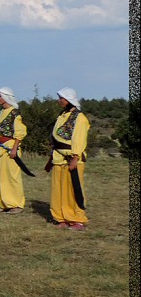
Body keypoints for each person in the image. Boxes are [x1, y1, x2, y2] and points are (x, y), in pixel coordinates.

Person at [47, 87, 90, 230]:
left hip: (71, 158)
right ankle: (61, 218)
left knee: (73, 189)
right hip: (58, 158)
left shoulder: (80, 118)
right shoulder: (62, 115)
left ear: (69, 100)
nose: (59, 101)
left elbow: (79, 138)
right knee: (58, 190)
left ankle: (77, 220)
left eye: (62, 98)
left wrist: (75, 157)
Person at [0, 86, 28, 214]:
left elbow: (20, 132)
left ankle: (16, 204)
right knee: (1, 176)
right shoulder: (2, 112)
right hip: (1, 147)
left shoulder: (14, 113)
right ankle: (3, 203)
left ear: (6, 97)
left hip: (10, 146)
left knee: (12, 176)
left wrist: (14, 149)